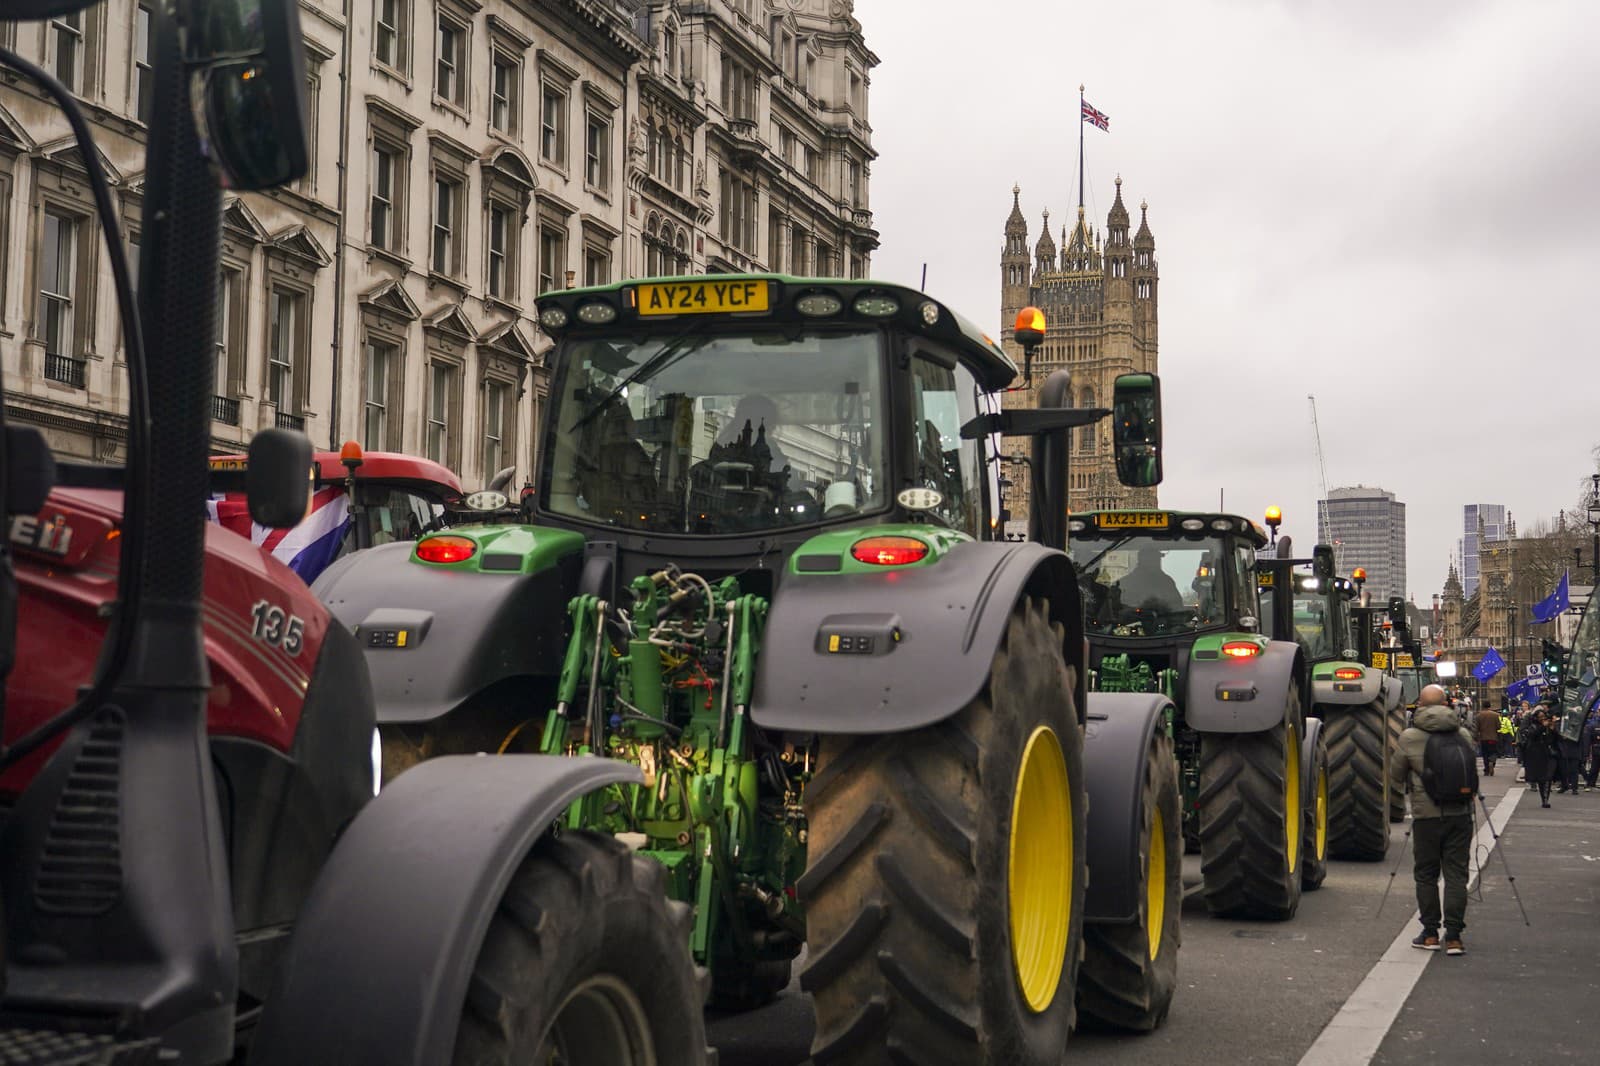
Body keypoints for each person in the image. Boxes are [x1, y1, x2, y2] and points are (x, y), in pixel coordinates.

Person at [1389, 683, 1477, 956]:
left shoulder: (1409, 736)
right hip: (1460, 814)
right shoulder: (1462, 734)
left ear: (1421, 706)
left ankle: (1429, 933)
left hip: (1426, 816)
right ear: (1448, 704)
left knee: (1426, 875)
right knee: (1456, 876)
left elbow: (1395, 775)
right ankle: (1453, 937)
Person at [1118, 545, 1185, 612]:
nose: (1156, 562)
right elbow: (1121, 608)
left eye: (1157, 559)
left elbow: (1177, 607)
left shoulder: (1166, 582)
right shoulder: (1127, 582)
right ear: (1142, 560)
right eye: (1152, 559)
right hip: (1133, 621)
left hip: (1166, 620)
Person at [1518, 708, 1558, 807]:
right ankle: (1544, 799)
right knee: (1542, 779)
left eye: (1543, 717)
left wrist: (1553, 729)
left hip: (1549, 754)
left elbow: (1554, 739)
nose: (1542, 719)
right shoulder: (1533, 726)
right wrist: (1542, 727)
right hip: (1537, 755)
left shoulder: (1548, 726)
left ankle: (1545, 799)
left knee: (1548, 777)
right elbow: (1532, 735)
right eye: (1540, 717)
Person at [1474, 702, 1502, 776]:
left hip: (1483, 738)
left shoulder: (1478, 715)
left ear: (1482, 706)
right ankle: (1492, 762)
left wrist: (1476, 738)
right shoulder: (1496, 715)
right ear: (1490, 706)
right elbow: (1499, 727)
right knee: (1493, 752)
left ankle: (1486, 769)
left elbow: (1476, 728)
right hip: (1493, 738)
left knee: (1485, 754)